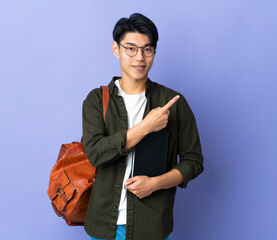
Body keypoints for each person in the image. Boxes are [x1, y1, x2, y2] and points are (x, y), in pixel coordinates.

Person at [82, 13, 204, 240]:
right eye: (131, 48)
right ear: (116, 49)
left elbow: (194, 162)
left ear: (154, 52)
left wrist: (156, 184)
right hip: (103, 226)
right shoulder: (97, 100)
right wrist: (146, 127)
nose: (139, 57)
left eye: (147, 49)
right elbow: (95, 153)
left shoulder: (174, 102)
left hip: (152, 226)